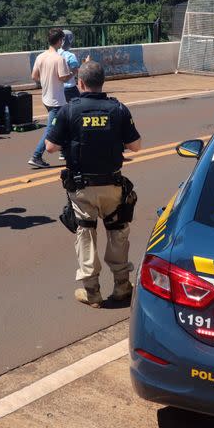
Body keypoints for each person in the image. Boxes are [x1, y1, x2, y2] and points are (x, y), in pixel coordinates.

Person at [45, 60, 142, 308]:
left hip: (82, 187)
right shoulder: (118, 109)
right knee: (117, 232)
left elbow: (50, 146)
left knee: (86, 233)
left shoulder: (69, 110)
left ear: (80, 83)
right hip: (112, 185)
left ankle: (92, 291)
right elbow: (136, 146)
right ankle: (122, 286)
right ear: (102, 83)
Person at [28, 27, 73, 168]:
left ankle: (65, 152)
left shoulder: (40, 57)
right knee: (51, 130)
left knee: (65, 125)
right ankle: (36, 155)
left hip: (46, 97)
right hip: (57, 100)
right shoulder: (59, 59)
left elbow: (34, 76)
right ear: (60, 40)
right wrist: (73, 72)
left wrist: (46, 77)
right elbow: (63, 78)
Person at [58, 29, 80, 104]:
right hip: (70, 87)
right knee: (78, 105)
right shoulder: (70, 56)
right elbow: (75, 69)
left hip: (57, 87)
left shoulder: (55, 53)